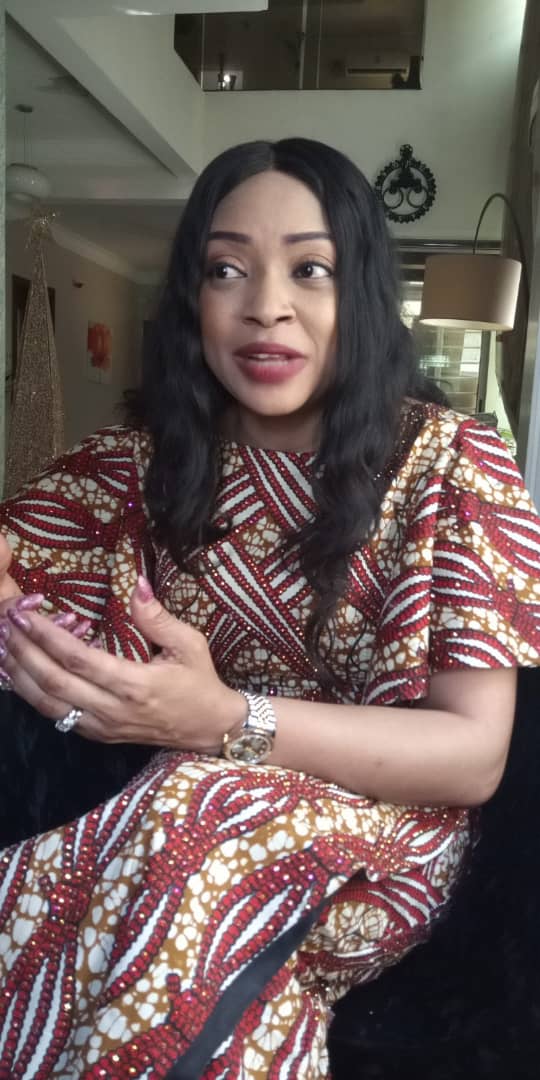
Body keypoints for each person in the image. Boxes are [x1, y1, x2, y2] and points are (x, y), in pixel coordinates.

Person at [0, 137, 538, 1080]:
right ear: (192, 299)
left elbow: (474, 754)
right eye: (226, 269)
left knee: (189, 815)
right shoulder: (139, 461)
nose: (265, 306)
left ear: (361, 292)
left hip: (385, 826)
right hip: (165, 811)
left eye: (310, 269)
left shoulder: (451, 461)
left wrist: (223, 720)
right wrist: (41, 648)